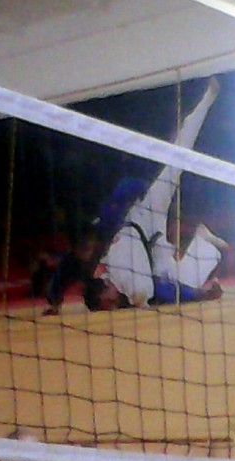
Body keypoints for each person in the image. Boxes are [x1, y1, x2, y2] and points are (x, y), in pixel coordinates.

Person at [91, 77, 228, 308]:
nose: (112, 307)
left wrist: (199, 295)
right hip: (151, 244)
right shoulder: (109, 275)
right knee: (182, 282)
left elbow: (160, 289)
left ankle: (206, 100)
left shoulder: (131, 283)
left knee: (178, 157)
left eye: (108, 303)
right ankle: (203, 244)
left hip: (144, 213)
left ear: (105, 288)